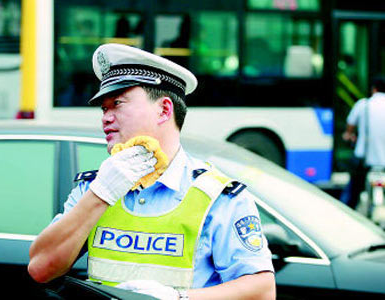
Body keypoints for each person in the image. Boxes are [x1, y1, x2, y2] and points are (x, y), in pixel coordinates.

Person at [28, 43, 276, 299]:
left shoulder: (217, 196)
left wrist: (178, 298)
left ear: (164, 110)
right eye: (104, 108)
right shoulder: (96, 187)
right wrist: (100, 194)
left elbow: (263, 292)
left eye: (117, 103)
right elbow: (40, 268)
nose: (105, 117)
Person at [342, 76, 385, 209]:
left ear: (374, 89)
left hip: (364, 160)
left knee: (352, 193)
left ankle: (345, 213)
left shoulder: (363, 104)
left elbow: (350, 126)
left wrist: (349, 135)